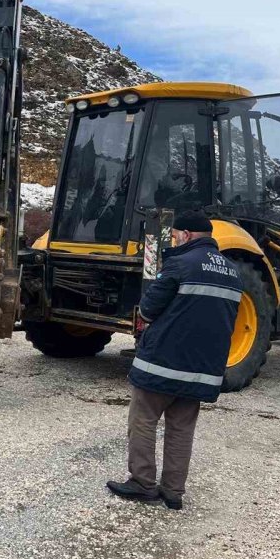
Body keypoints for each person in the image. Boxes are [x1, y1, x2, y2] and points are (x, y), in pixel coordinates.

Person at [107, 210, 241, 510]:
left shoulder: (180, 263)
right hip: (202, 369)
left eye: (177, 235)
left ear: (187, 235)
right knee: (182, 428)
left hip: (163, 363)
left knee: (143, 419)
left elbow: (149, 310)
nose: (175, 239)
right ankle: (173, 492)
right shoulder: (233, 271)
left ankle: (142, 483)